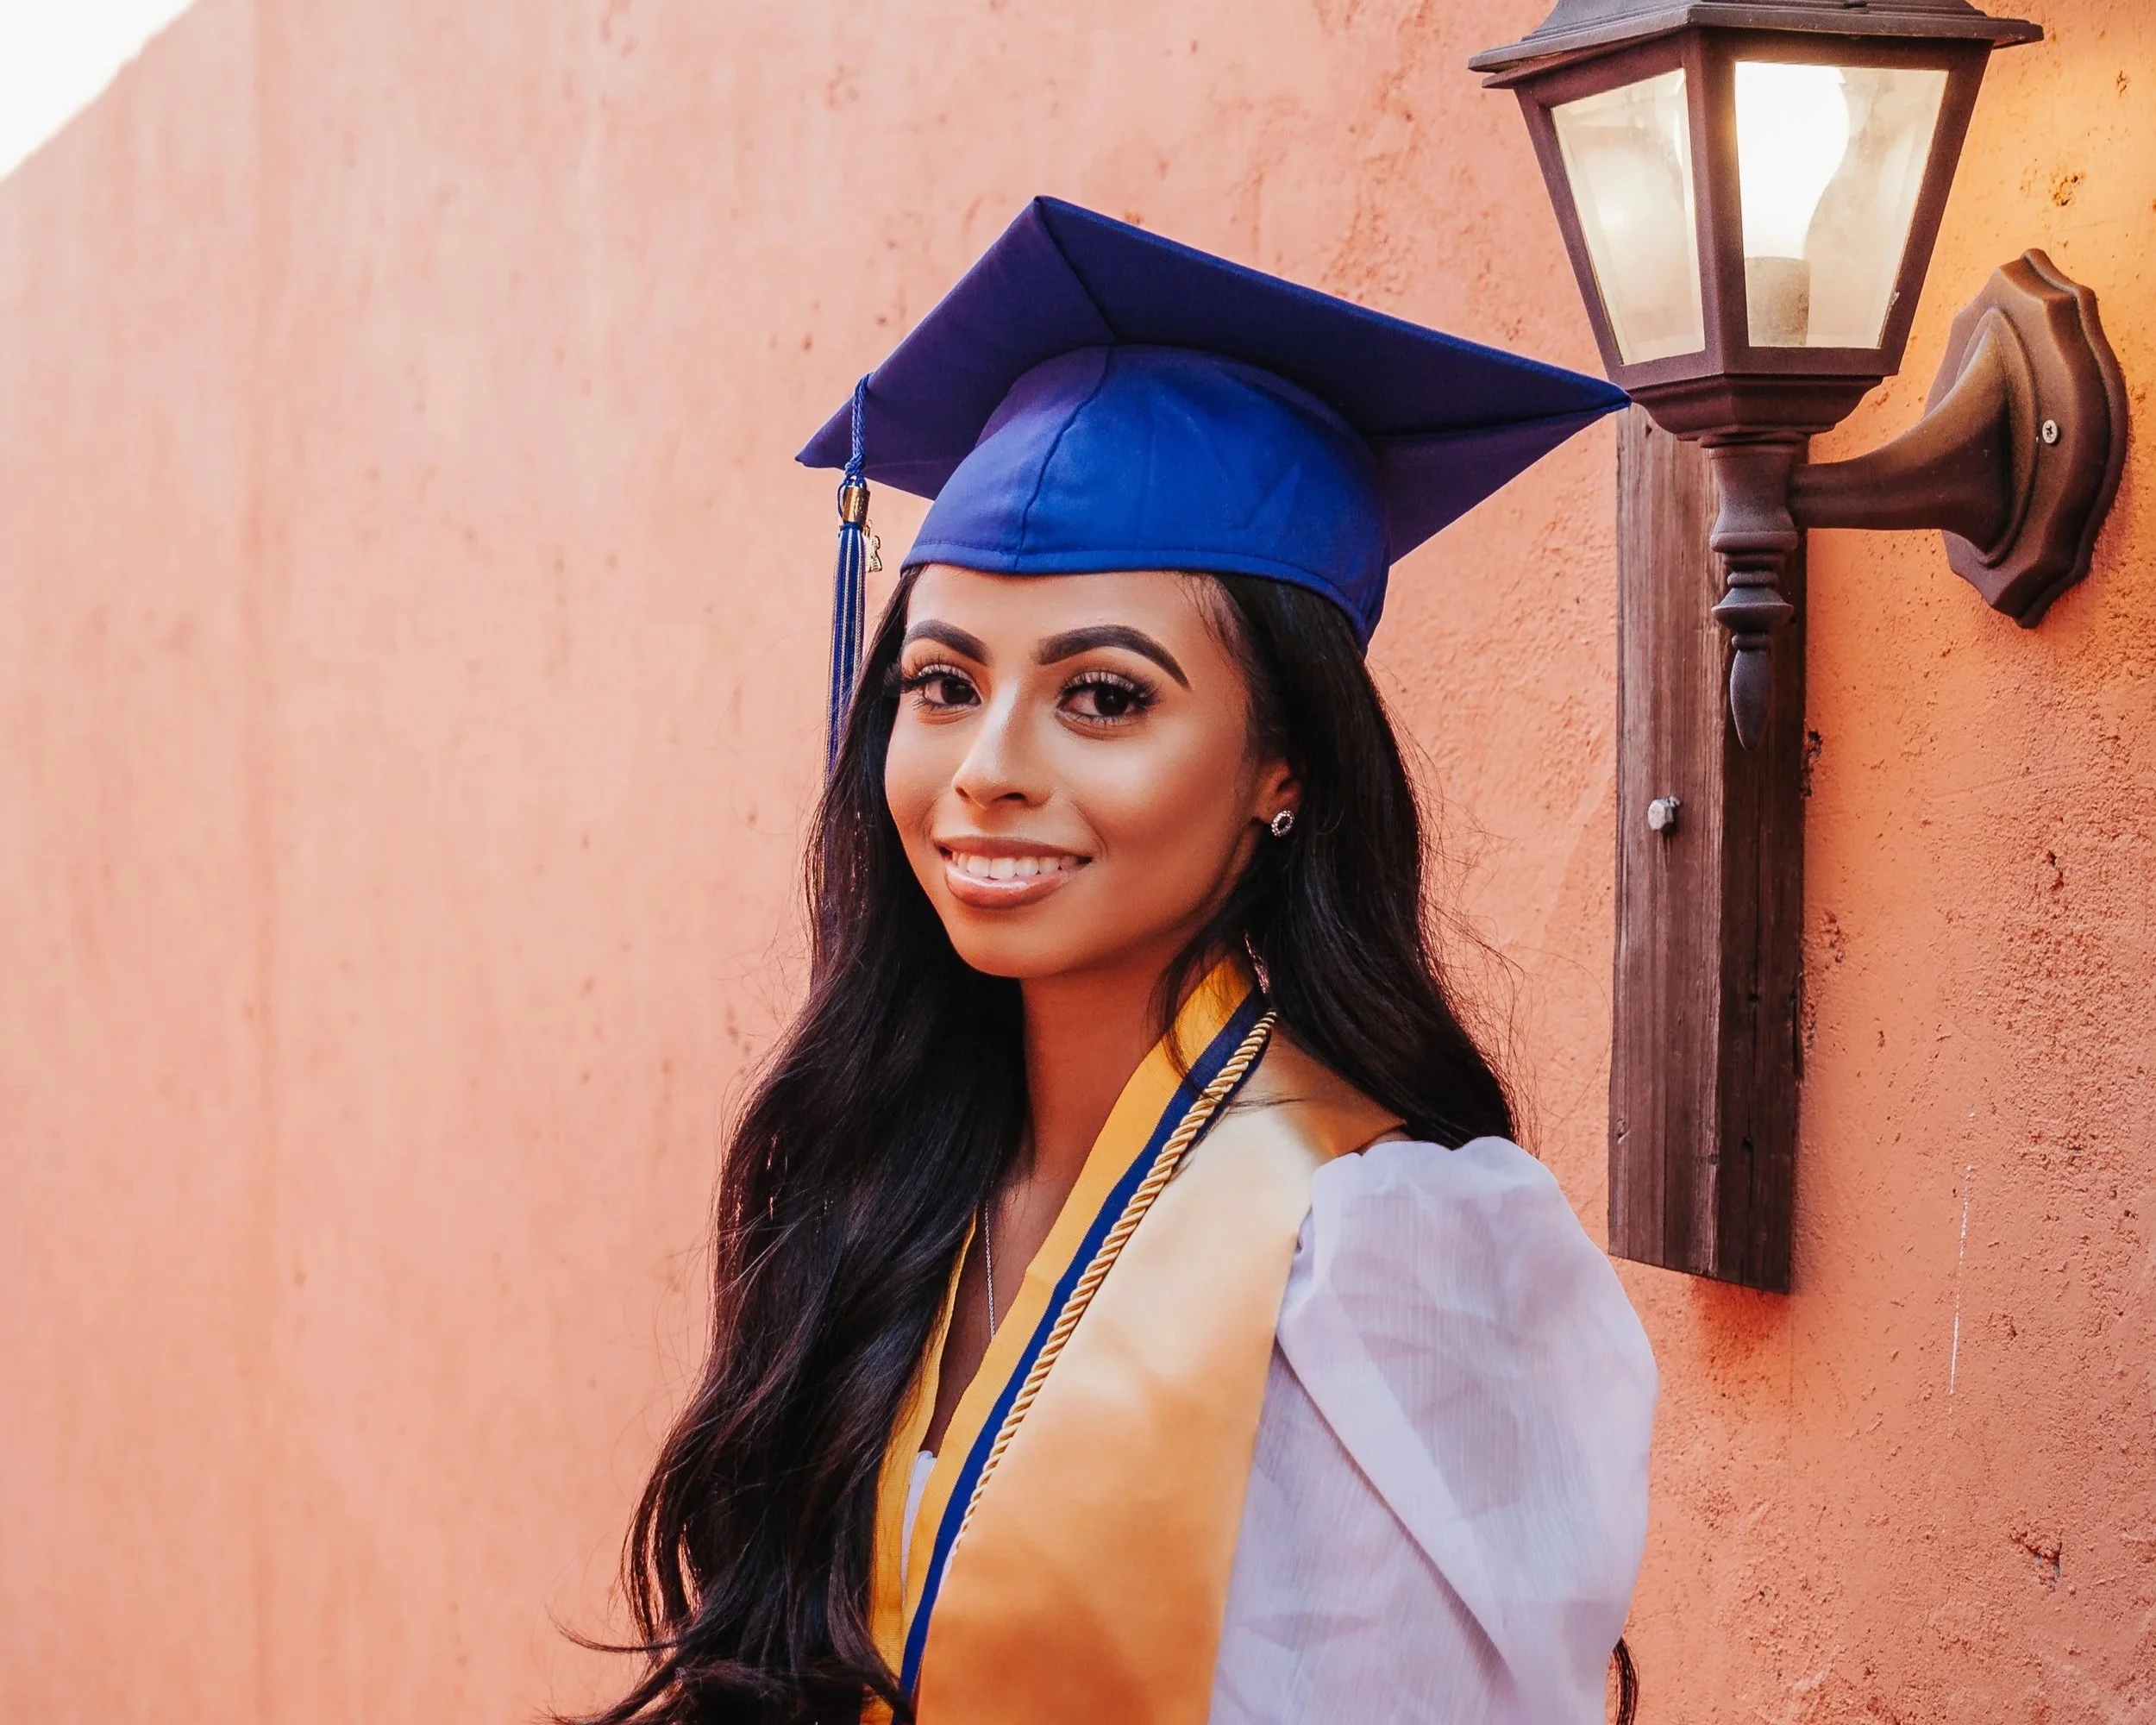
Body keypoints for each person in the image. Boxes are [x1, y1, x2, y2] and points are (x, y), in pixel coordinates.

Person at [572, 198, 1657, 1725]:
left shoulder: (1383, 1252)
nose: (985, 770)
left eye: (1102, 696)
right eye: (943, 682)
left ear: (1286, 763)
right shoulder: (889, 1182)